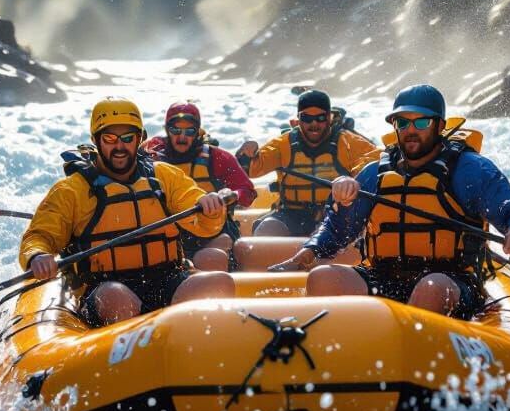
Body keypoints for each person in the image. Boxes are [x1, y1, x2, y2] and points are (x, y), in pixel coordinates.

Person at [270, 85, 510, 319]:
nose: (411, 131)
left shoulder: (469, 169)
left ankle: (409, 356)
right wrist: (309, 250)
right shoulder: (374, 173)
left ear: (440, 126)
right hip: (385, 278)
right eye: (402, 123)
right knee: (323, 278)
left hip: (452, 281)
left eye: (420, 123)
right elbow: (338, 230)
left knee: (431, 287)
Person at [20, 97, 235, 326]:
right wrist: (37, 255)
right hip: (105, 286)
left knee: (219, 283)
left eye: (127, 138)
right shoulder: (72, 190)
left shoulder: (164, 176)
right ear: (96, 140)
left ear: (140, 139)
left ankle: (188, 345)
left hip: (168, 278)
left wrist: (209, 207)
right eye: (110, 139)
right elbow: (39, 236)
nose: (119, 146)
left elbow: (201, 218)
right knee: (118, 299)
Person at [235, 89, 380, 236]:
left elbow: (375, 162)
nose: (314, 123)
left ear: (329, 118)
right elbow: (250, 170)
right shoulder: (283, 144)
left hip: (336, 214)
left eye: (320, 117)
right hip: (290, 214)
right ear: (298, 119)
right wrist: (246, 155)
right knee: (267, 229)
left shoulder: (349, 142)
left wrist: (352, 180)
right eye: (307, 118)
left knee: (332, 233)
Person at [143, 101, 257, 270]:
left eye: (189, 131)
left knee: (218, 247)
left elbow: (247, 193)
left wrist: (232, 195)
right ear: (167, 130)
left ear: (197, 132)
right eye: (176, 130)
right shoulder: (152, 156)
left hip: (215, 232)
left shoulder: (217, 158)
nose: (182, 137)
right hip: (173, 234)